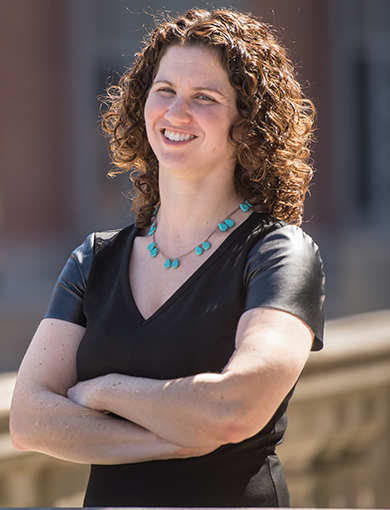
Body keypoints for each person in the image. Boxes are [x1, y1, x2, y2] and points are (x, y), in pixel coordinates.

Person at [10, 7, 325, 508]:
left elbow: (234, 410)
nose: (176, 113)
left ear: (247, 127)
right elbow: (29, 420)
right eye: (165, 90)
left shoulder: (277, 252)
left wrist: (106, 389)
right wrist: (172, 440)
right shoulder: (94, 260)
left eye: (204, 98)